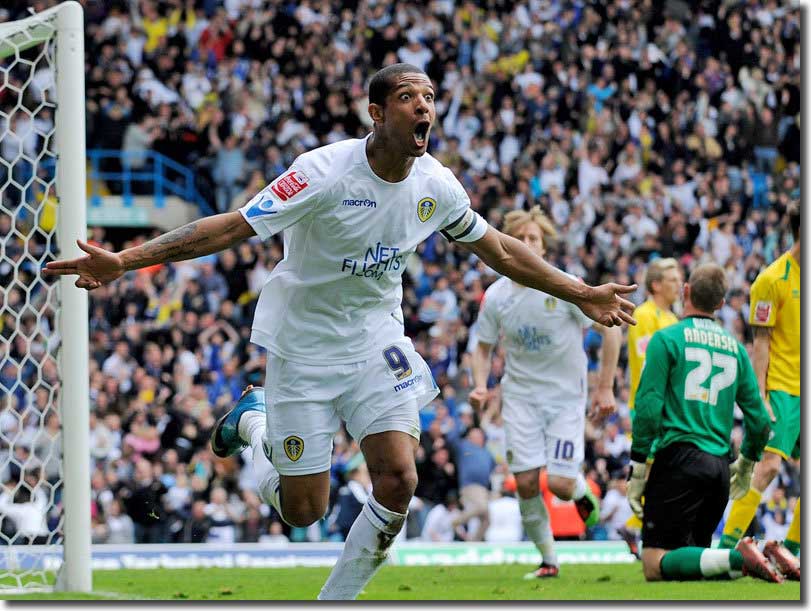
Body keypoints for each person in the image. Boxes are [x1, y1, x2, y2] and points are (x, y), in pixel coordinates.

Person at [45, 63, 637, 600]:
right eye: (408, 97)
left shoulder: (437, 184)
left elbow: (502, 251)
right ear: (376, 113)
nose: (424, 107)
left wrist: (582, 292)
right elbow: (231, 228)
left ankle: (333, 602)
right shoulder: (323, 172)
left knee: (400, 478)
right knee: (304, 510)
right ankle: (254, 423)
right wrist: (126, 261)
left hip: (377, 340)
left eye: (430, 96)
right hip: (302, 346)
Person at [468, 208, 622, 578]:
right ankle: (549, 560)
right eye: (520, 237)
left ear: (544, 244)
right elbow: (483, 346)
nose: (527, 243)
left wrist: (605, 387)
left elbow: (611, 329)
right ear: (507, 244)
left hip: (566, 400)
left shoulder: (568, 286)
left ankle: (582, 490)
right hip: (519, 398)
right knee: (524, 483)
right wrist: (479, 383)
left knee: (560, 485)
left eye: (534, 237)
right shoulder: (497, 296)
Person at [626, 262, 791, 583]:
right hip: (718, 467)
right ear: (720, 304)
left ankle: (740, 555)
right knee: (694, 565)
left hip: (677, 459)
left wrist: (638, 466)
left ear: (686, 291)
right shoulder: (735, 348)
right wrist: (745, 465)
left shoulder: (666, 339)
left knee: (653, 562)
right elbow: (759, 420)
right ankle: (757, 555)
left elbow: (647, 409)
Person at [720, 203, 800, 562]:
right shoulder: (771, 279)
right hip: (783, 388)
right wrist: (761, 399)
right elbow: (761, 344)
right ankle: (724, 549)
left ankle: (794, 552)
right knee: (767, 468)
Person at [621, 257, 681, 557]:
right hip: (649, 407)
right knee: (652, 470)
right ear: (656, 284)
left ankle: (639, 527)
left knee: (661, 471)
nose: (678, 284)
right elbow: (647, 366)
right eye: (672, 279)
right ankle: (636, 526)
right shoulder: (644, 315)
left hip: (669, 410)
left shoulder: (672, 319)